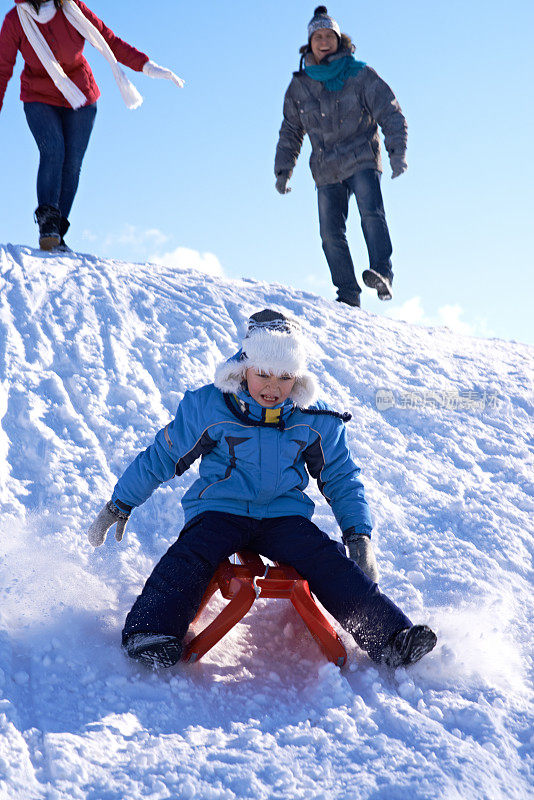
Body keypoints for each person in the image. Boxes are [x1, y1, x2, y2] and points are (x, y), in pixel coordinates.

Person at [86, 309, 437, 671]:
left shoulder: (313, 419)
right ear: (245, 367)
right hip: (221, 510)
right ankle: (150, 631)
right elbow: (163, 455)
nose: (273, 387)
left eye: (285, 377)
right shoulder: (211, 407)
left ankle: (391, 638)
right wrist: (120, 503)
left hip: (282, 518)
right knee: (192, 554)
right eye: (263, 374)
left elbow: (342, 477)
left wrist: (358, 535)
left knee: (327, 561)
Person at [0, 0, 184, 250]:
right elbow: (2, 69)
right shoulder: (15, 21)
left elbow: (107, 39)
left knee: (72, 163)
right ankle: (48, 224)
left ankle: (57, 232)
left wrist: (146, 66)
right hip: (39, 96)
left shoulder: (72, 7)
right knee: (53, 150)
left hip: (81, 96)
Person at [274, 6, 408, 309]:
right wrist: (283, 171)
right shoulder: (300, 85)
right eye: (318, 36)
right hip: (326, 170)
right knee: (330, 233)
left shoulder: (360, 75)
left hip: (361, 157)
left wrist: (396, 152)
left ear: (339, 40)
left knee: (371, 214)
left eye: (329, 36)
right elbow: (291, 130)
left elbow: (390, 111)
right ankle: (348, 294)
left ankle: (382, 273)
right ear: (310, 43)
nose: (324, 41)